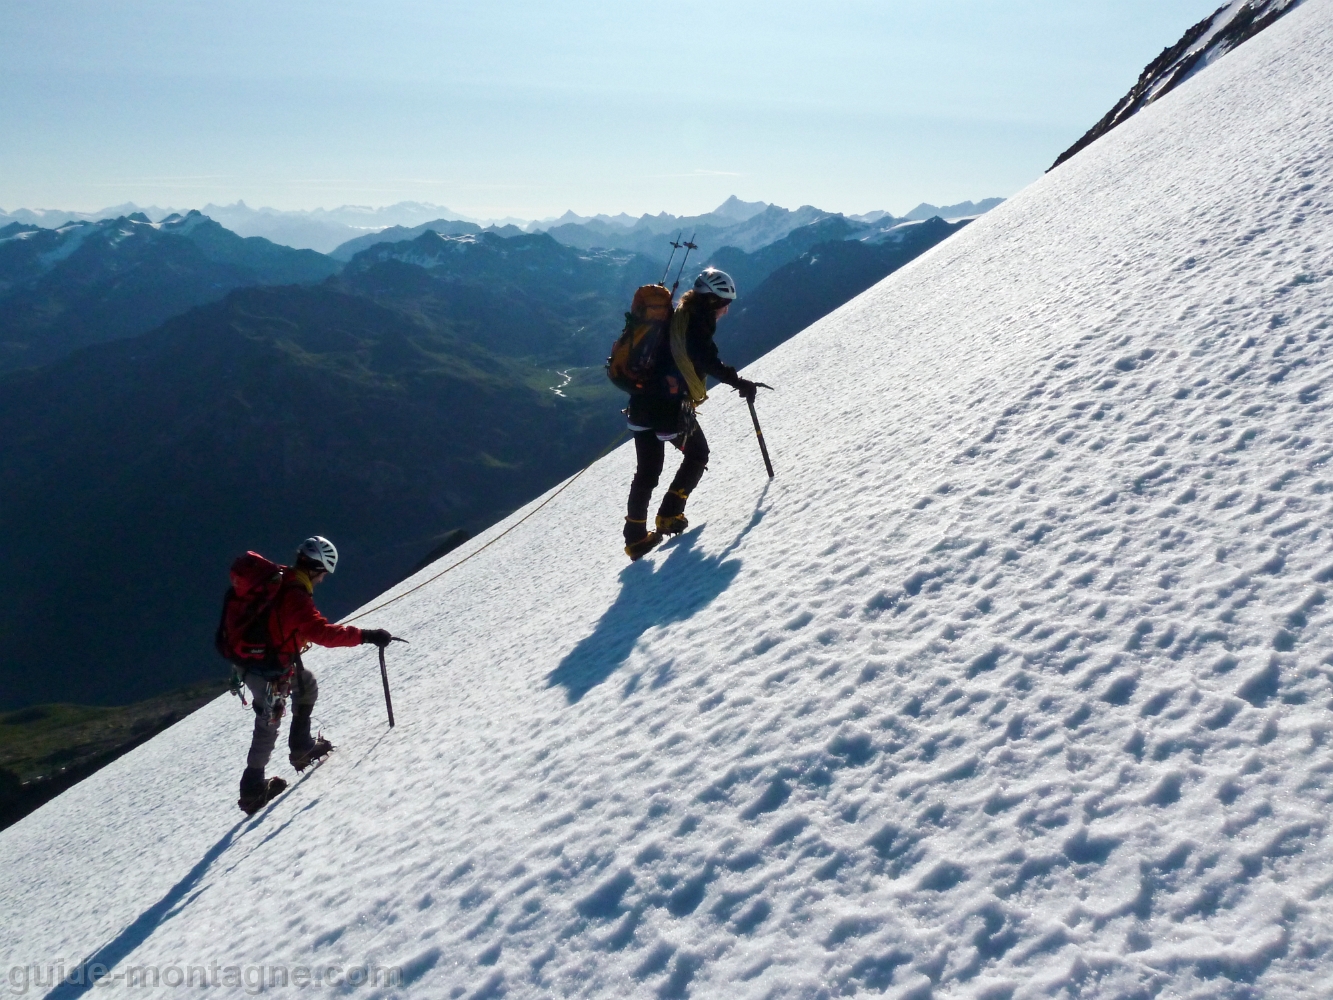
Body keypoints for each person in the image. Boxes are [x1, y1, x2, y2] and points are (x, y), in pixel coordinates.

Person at [237, 535, 392, 814]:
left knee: (305, 683)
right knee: (268, 723)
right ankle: (252, 790)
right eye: (323, 574)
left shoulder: (282, 578)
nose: (322, 580)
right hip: (268, 669)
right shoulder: (295, 594)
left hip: (260, 661)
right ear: (317, 569)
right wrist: (367, 636)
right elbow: (323, 633)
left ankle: (301, 746)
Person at [622, 267, 759, 559]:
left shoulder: (677, 315)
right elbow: (706, 360)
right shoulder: (694, 323)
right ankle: (670, 514)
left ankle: (634, 538)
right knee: (698, 454)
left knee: (647, 472)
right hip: (668, 407)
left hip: (640, 403)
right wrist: (739, 382)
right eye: (725, 304)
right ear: (711, 302)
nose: (726, 310)